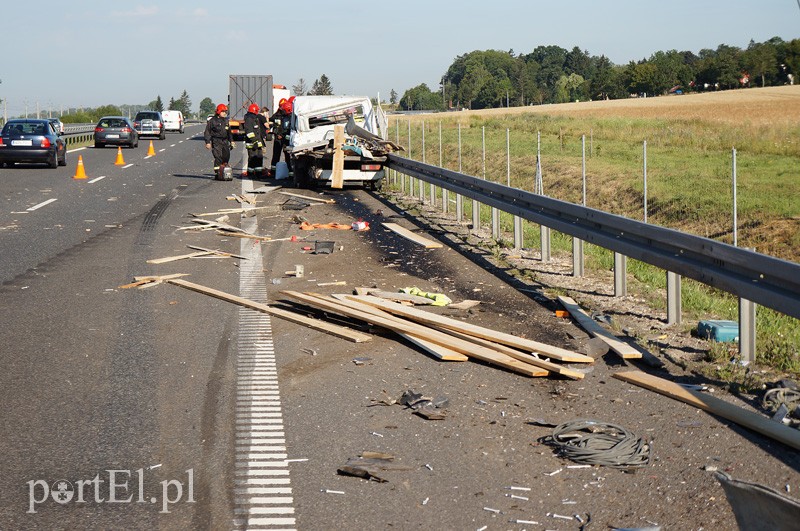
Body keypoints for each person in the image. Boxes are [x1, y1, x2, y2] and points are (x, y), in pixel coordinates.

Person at [204, 103, 234, 180]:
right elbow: (207, 132)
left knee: (226, 156)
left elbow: (229, 132)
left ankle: (224, 169)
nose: (225, 113)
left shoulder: (226, 121)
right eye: (223, 111)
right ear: (219, 112)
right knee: (218, 157)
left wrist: (232, 141)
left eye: (226, 112)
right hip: (216, 141)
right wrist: (208, 142)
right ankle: (218, 173)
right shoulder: (212, 121)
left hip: (225, 141)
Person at [269, 97, 293, 177]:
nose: (281, 108)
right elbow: (271, 121)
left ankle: (290, 172)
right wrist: (276, 133)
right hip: (278, 138)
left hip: (285, 139)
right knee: (276, 155)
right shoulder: (277, 114)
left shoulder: (289, 116)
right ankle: (273, 171)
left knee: (288, 155)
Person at [242, 103, 266, 178]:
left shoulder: (254, 118)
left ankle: (258, 173)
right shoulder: (249, 119)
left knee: (259, 157)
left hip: (257, 143)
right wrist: (254, 141)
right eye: (257, 110)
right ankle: (251, 173)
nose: (258, 112)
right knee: (252, 158)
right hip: (252, 143)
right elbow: (249, 132)